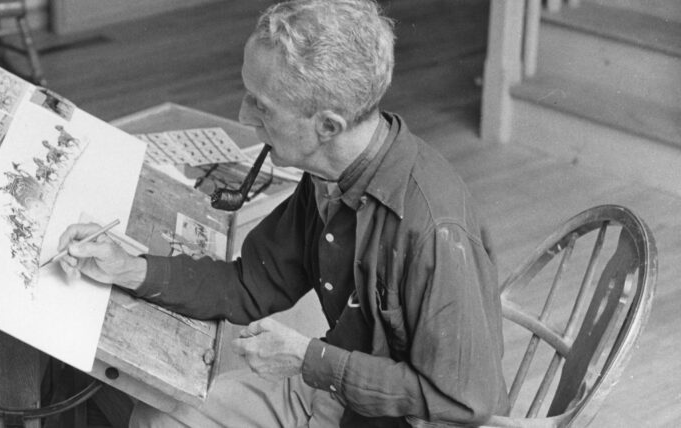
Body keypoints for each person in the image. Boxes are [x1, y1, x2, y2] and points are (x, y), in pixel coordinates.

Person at [56, 0, 509, 426]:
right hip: (341, 397)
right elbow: (250, 285)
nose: (243, 113)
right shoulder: (331, 172)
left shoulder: (432, 228)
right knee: (158, 420)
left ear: (328, 125)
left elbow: (464, 402)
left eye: (261, 105)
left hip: (400, 418)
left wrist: (309, 360)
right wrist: (130, 269)